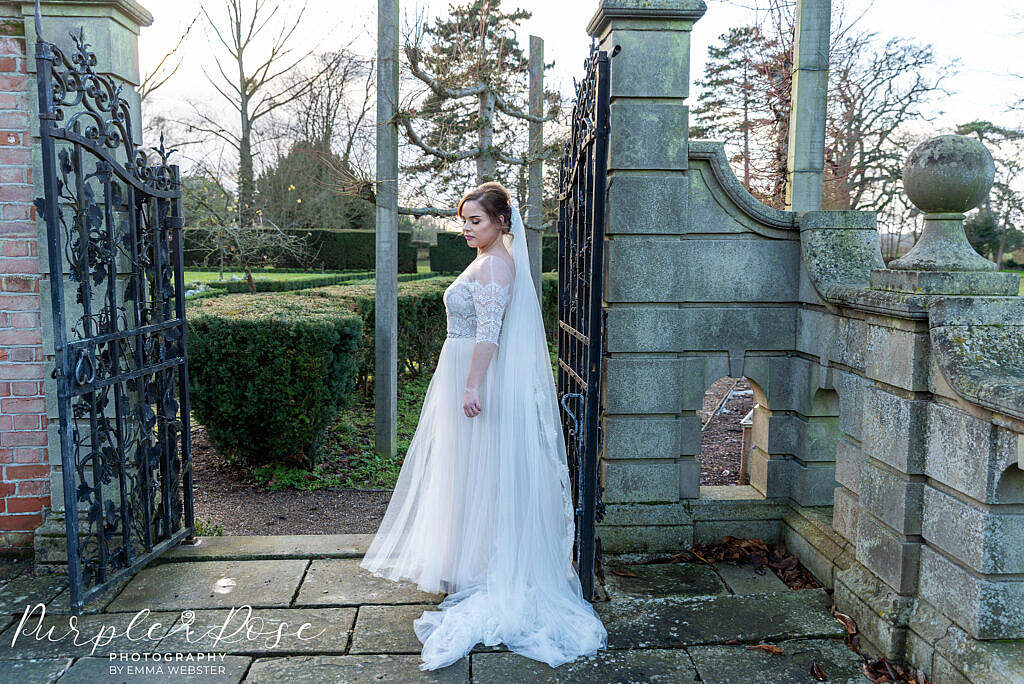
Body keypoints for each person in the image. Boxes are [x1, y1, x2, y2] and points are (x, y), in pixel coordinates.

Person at [360, 181, 608, 671]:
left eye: (476, 221)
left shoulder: (496, 265)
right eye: (464, 221)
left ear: (500, 222)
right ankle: (469, 563)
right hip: (461, 371)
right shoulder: (488, 259)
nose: (467, 229)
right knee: (468, 470)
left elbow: (490, 334)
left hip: (473, 377)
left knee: (479, 470)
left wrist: (472, 386)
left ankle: (482, 567)